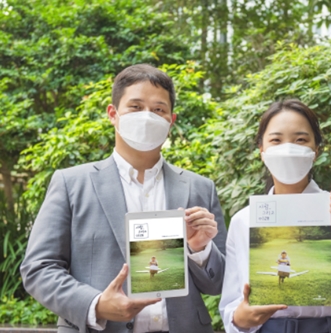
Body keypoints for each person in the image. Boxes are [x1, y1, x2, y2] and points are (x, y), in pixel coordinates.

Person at [21, 64, 227, 333]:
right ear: (113, 114)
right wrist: (95, 304)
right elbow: (38, 268)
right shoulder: (72, 184)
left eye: (158, 110)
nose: (147, 116)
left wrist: (200, 250)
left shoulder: (201, 187)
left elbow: (219, 283)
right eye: (136, 106)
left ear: (171, 121)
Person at [219, 99, 331, 333]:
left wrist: (328, 248)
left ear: (315, 151)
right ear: (262, 151)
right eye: (276, 140)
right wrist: (241, 318)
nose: (288, 148)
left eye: (300, 139)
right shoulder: (244, 221)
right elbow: (232, 312)